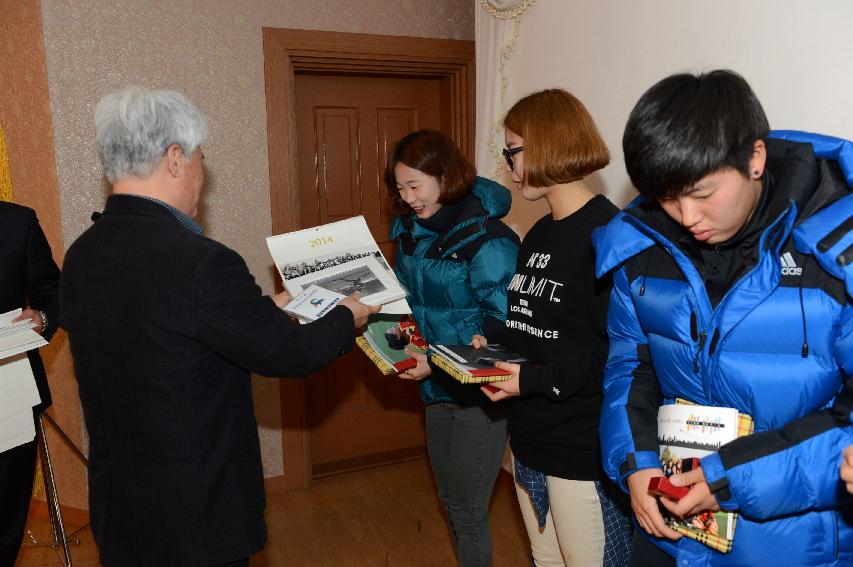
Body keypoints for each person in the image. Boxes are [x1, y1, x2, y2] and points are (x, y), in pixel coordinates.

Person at [60, 87, 379, 567]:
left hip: (123, 509)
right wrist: (344, 317)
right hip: (196, 516)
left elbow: (161, 332)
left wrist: (261, 308)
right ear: (174, 159)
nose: (201, 175)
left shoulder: (82, 253)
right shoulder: (200, 262)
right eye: (200, 160)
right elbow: (288, 355)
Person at [592, 70, 853, 566]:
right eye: (667, 197)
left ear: (754, 159)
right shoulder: (641, 248)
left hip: (791, 543)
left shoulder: (836, 255)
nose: (686, 217)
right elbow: (630, 368)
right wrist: (636, 465)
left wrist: (731, 476)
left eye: (702, 193)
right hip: (669, 530)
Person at [473, 88, 632, 566]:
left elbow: (615, 354)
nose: (509, 167)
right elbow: (538, 327)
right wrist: (493, 343)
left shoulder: (607, 235)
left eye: (513, 151)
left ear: (547, 146)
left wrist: (531, 380)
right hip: (529, 437)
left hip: (579, 446)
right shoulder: (540, 232)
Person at [385, 129, 519, 566]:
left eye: (415, 186)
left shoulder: (489, 238)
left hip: (480, 394)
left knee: (467, 510)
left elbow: (502, 331)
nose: (407, 198)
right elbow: (406, 304)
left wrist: (437, 363)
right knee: (449, 499)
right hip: (435, 387)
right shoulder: (411, 234)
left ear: (445, 177)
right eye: (400, 188)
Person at [0, 202, 60, 567]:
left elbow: (52, 291)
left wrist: (43, 316)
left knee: (5, 521)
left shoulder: (16, 222)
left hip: (10, 400)